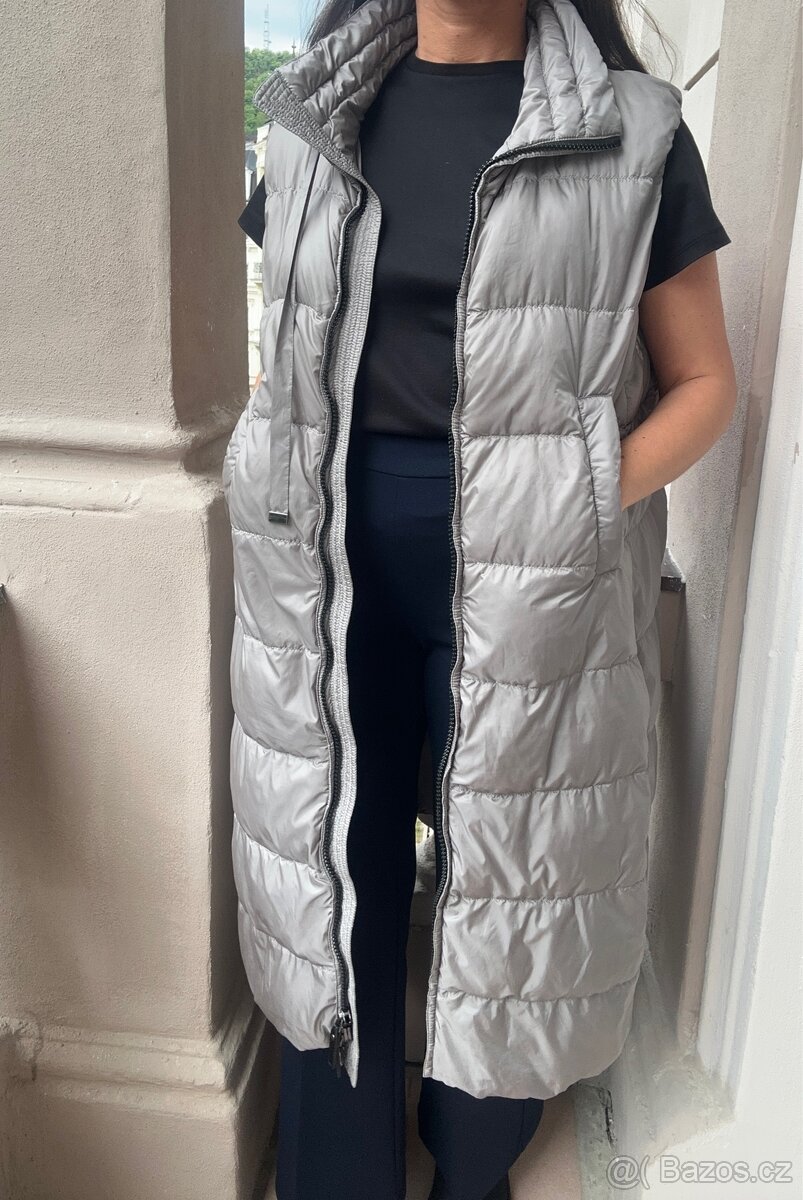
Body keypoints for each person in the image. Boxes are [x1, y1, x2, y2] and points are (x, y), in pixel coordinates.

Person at [226, 1, 737, 1197]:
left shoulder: (632, 131)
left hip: (535, 578)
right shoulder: (310, 122)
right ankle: (336, 1169)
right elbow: (290, 344)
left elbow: (705, 383)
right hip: (323, 571)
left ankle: (472, 1159)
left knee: (509, 864)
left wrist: (577, 498)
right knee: (328, 851)